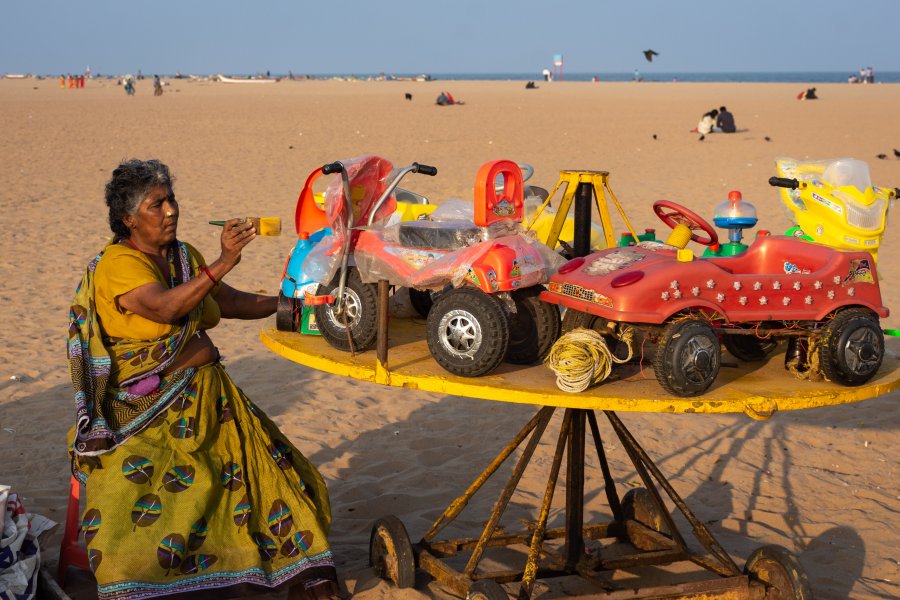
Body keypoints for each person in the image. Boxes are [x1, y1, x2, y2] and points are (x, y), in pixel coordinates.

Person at [67, 159, 339, 600]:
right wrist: (224, 260)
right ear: (128, 219)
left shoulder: (182, 255)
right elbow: (164, 308)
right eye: (158, 204)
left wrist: (293, 305)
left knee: (284, 478)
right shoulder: (117, 265)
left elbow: (225, 301)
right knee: (153, 513)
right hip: (142, 413)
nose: (172, 210)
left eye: (171, 199)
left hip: (210, 398)